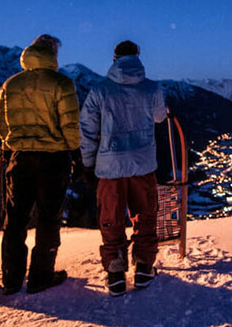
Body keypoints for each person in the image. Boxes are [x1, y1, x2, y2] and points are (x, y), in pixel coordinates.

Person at [0, 35, 80, 295]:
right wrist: (73, 150)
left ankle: (11, 278)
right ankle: (41, 275)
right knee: (48, 218)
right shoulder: (62, 83)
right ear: (53, 53)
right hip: (52, 159)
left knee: (15, 218)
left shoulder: (11, 84)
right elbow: (70, 125)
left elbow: (0, 124)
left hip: (19, 158)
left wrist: (14, 143)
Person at [80, 40, 167, 297]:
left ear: (114, 58)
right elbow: (160, 117)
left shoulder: (99, 90)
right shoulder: (152, 88)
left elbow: (86, 129)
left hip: (110, 165)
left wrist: (87, 162)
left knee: (111, 217)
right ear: (138, 57)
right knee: (146, 213)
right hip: (143, 163)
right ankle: (143, 266)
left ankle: (116, 272)